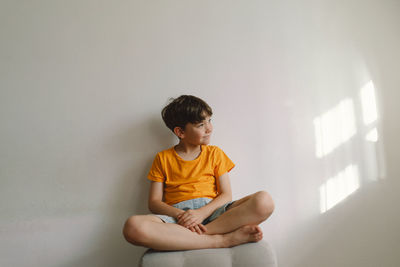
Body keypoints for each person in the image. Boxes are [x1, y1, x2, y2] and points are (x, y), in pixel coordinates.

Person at [123, 95, 274, 251]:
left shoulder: (215, 153)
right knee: (133, 227)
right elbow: (154, 203)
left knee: (265, 201)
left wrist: (200, 214)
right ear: (180, 132)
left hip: (214, 212)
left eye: (209, 120)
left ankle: (200, 234)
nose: (209, 128)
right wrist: (183, 216)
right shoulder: (162, 158)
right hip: (178, 218)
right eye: (201, 124)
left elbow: (226, 195)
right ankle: (222, 240)